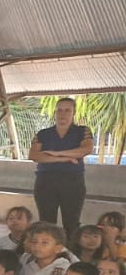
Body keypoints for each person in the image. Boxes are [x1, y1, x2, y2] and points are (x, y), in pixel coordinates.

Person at [29, 96, 93, 241]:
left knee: (72, 222)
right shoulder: (43, 133)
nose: (62, 114)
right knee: (46, 222)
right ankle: (47, 250)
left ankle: (70, 252)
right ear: (55, 112)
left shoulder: (83, 131)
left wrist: (56, 153)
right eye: (59, 110)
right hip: (45, 181)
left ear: (74, 113)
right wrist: (66, 158)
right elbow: (34, 155)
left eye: (67, 110)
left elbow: (85, 150)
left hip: (72, 181)